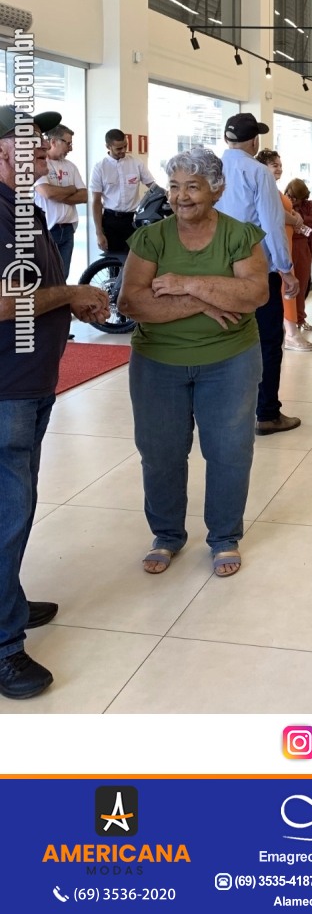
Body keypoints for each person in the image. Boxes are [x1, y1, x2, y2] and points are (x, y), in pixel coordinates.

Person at [0, 106, 110, 699]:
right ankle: (3, 648)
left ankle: (9, 601)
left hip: (30, 379)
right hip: (7, 387)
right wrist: (69, 291)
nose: (46, 158)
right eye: (35, 152)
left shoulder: (20, 208)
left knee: (14, 507)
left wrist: (69, 303)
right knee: (6, 514)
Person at [118, 147, 269, 578]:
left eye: (193, 187)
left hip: (230, 359)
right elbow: (132, 301)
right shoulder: (151, 237)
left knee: (228, 450)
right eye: (175, 186)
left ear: (216, 191)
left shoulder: (240, 236)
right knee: (160, 451)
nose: (181, 196)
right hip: (157, 362)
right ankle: (166, 534)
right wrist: (204, 301)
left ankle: (224, 537)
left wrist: (184, 283)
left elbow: (254, 295)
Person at [216, 113, 301, 434]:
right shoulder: (258, 172)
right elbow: (271, 223)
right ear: (254, 141)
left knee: (224, 339)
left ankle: (225, 412)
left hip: (217, 271)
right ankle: (266, 413)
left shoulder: (211, 171)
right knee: (266, 340)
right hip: (256, 271)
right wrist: (286, 270)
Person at [258, 150, 312, 352]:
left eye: (280, 164)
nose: (279, 168)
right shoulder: (265, 187)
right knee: (285, 286)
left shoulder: (273, 188)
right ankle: (290, 333)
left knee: (288, 286)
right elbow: (273, 213)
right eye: (275, 165)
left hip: (286, 241)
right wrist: (294, 219)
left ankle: (290, 328)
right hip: (276, 243)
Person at [89, 129, 155, 256]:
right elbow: (96, 202)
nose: (123, 150)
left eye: (125, 146)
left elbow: (152, 186)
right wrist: (99, 233)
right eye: (119, 148)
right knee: (113, 261)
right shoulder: (99, 168)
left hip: (133, 220)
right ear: (108, 147)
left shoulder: (136, 163)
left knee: (136, 259)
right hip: (111, 221)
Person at [34, 123, 87, 279]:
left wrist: (61, 194)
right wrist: (71, 189)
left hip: (68, 229)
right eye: (67, 143)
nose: (70, 148)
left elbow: (84, 196)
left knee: (63, 275)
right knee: (46, 276)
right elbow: (48, 193)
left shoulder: (71, 166)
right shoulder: (40, 164)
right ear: (53, 142)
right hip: (48, 229)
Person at [283, 177, 312, 334]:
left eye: (297, 197)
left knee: (302, 282)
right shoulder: (283, 202)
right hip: (287, 245)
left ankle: (300, 317)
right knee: (285, 285)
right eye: (291, 195)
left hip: (303, 246)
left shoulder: (309, 205)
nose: (293, 199)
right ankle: (287, 319)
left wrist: (295, 218)